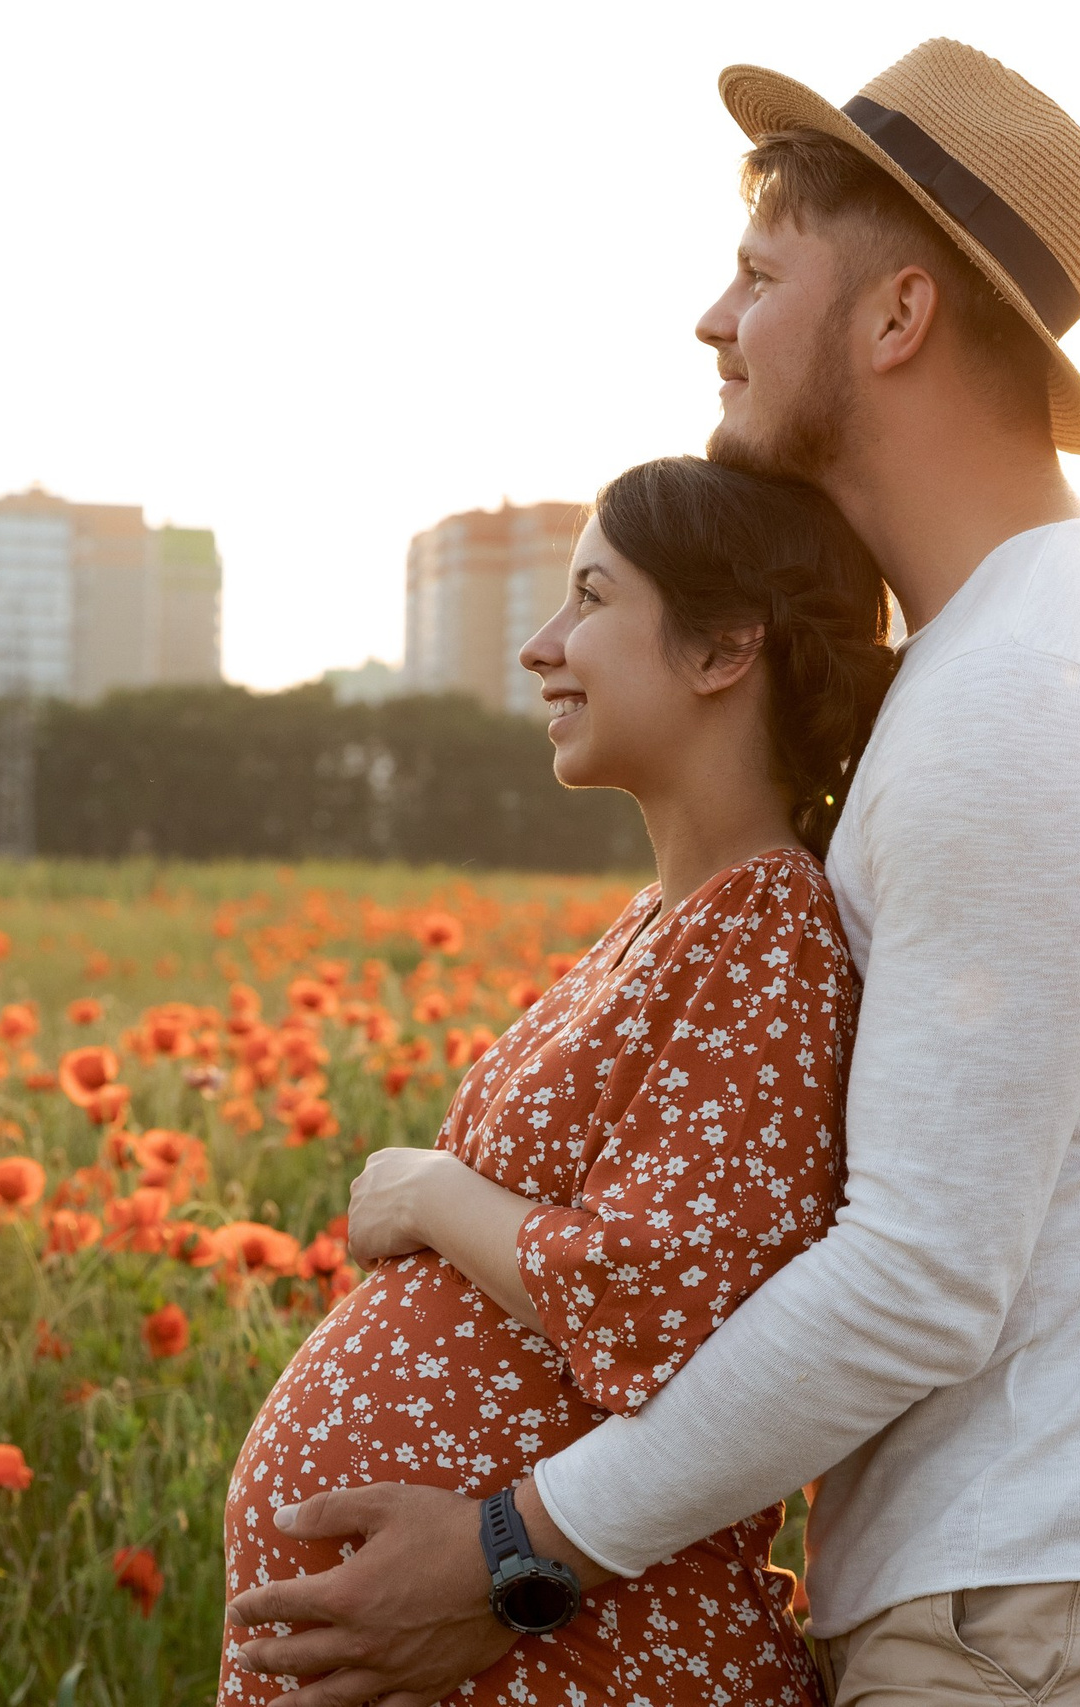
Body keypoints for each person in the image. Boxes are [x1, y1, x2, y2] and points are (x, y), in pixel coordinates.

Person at [227, 37, 1080, 1707]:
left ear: (896, 320)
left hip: (1059, 1605)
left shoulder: (1037, 694)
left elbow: (920, 1278)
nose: (712, 321)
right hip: (1031, 1587)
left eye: (759, 272)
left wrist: (520, 1548)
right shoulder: (1011, 661)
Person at [218, 455, 898, 1706]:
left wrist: (428, 1194)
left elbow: (659, 1305)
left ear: (722, 649)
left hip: (585, 1654)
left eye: (589, 598)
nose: (541, 646)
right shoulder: (674, 915)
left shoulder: (768, 927)